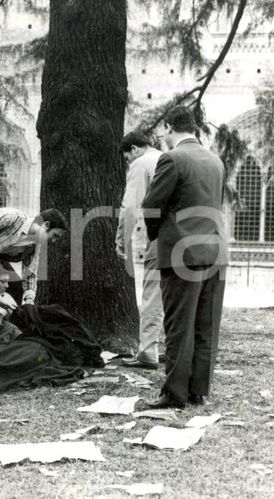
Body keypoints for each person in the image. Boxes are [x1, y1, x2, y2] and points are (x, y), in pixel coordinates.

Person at [141, 105, 228, 408]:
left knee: (179, 326)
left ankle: (174, 393)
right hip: (215, 253)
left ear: (168, 128)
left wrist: (157, 238)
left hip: (182, 255)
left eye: (163, 131)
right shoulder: (215, 161)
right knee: (206, 326)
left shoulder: (173, 158)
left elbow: (151, 206)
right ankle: (197, 391)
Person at [115, 131, 165, 370]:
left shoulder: (141, 164)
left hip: (160, 237)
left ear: (134, 149)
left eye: (127, 158)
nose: (128, 163)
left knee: (152, 295)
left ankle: (147, 353)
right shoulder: (166, 158)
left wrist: (121, 238)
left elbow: (131, 206)